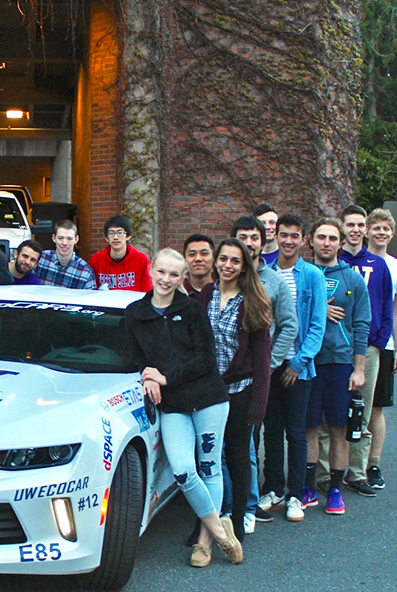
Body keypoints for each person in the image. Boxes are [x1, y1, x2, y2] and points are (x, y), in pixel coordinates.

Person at [124, 248, 243, 568]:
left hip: (207, 399)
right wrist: (147, 376)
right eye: (161, 272)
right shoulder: (134, 312)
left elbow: (206, 360)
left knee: (209, 467)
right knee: (182, 469)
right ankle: (221, 532)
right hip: (173, 405)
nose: (166, 279)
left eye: (174, 275)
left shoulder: (191, 310)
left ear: (183, 278)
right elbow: (138, 358)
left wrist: (164, 377)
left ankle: (204, 543)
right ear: (151, 270)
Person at [198, 239, 272, 542]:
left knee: (239, 457)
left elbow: (263, 359)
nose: (227, 266)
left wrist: (258, 407)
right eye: (223, 259)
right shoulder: (205, 294)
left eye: (235, 261)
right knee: (207, 460)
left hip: (240, 391)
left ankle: (239, 521)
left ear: (244, 267)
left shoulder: (252, 300)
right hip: (207, 391)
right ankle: (205, 523)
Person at [230, 216, 297, 531]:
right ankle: (226, 503)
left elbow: (289, 326)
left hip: (257, 376)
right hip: (224, 376)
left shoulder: (274, 281)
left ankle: (249, 504)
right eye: (242, 236)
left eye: (253, 237)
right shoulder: (226, 277)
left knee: (249, 441)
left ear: (262, 241)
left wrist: (268, 365)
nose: (248, 242)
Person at [260, 214, 327, 522]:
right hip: (270, 363)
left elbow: (317, 325)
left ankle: (296, 494)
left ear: (303, 240)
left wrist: (298, 363)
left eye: (294, 235)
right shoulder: (267, 274)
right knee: (271, 429)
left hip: (299, 366)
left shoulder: (311, 275)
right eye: (283, 234)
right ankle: (273, 488)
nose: (287, 240)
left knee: (296, 432)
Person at [305, 218, 369, 516]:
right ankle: (306, 487)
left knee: (339, 428)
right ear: (312, 241)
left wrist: (359, 369)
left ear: (340, 243)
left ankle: (335, 490)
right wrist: (319, 307)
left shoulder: (353, 279)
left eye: (332, 238)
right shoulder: (302, 275)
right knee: (308, 427)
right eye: (321, 237)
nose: (326, 242)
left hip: (340, 363)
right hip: (307, 362)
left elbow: (361, 324)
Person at [330, 203, 392, 497]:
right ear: (341, 228)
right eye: (349, 225)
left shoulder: (378, 266)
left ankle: (357, 472)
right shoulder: (330, 263)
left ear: (365, 230)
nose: (355, 230)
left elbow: (387, 307)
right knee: (328, 415)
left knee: (361, 414)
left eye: (359, 225)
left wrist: (379, 342)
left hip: (367, 349)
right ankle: (324, 474)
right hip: (335, 347)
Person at [363, 208, 397, 489]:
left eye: (386, 229)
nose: (381, 233)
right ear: (367, 231)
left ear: (392, 234)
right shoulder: (353, 262)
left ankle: (373, 463)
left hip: (385, 345)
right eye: (376, 228)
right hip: (355, 345)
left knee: (376, 408)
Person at [88, 215, 152, 292]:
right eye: (111, 233)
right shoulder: (96, 260)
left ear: (128, 236)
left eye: (119, 232)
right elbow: (91, 292)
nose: (115, 237)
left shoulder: (141, 260)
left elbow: (148, 291)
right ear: (106, 238)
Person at [34, 220, 96, 289]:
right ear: (54, 238)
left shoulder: (86, 272)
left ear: (76, 239)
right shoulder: (40, 259)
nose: (65, 243)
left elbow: (90, 299)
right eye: (60, 238)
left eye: (69, 238)